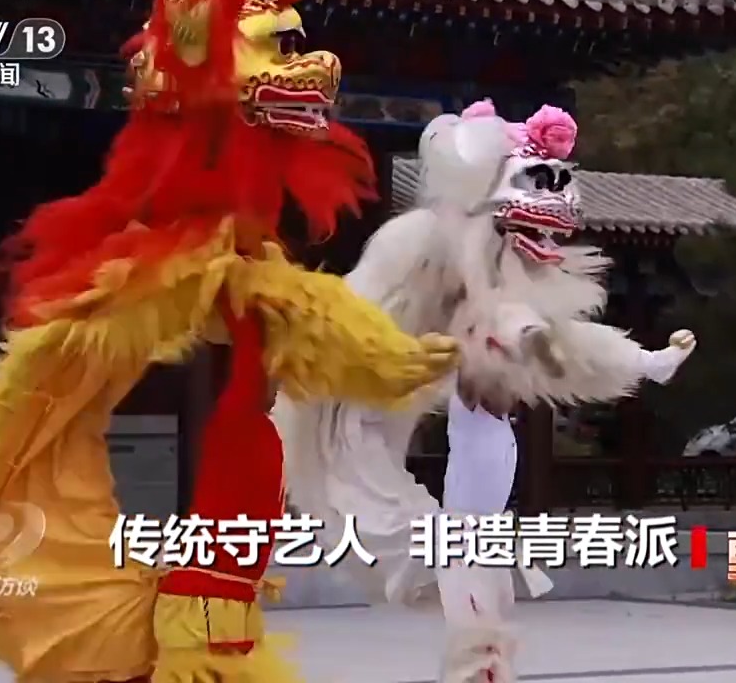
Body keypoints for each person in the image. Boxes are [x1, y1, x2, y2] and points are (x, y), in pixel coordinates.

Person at [0, 0, 458, 681]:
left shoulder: (242, 255)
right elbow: (254, 301)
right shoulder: (172, 261)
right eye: (276, 46)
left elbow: (270, 308)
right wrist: (366, 349)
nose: (311, 65)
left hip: (223, 544)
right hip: (184, 583)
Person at [275, 100, 697, 682]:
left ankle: (481, 659)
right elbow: (493, 326)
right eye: (535, 182)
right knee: (425, 537)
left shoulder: (495, 283)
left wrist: (647, 361)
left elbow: (558, 336)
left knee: (469, 563)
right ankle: (477, 658)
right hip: (360, 405)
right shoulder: (422, 247)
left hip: (463, 490)